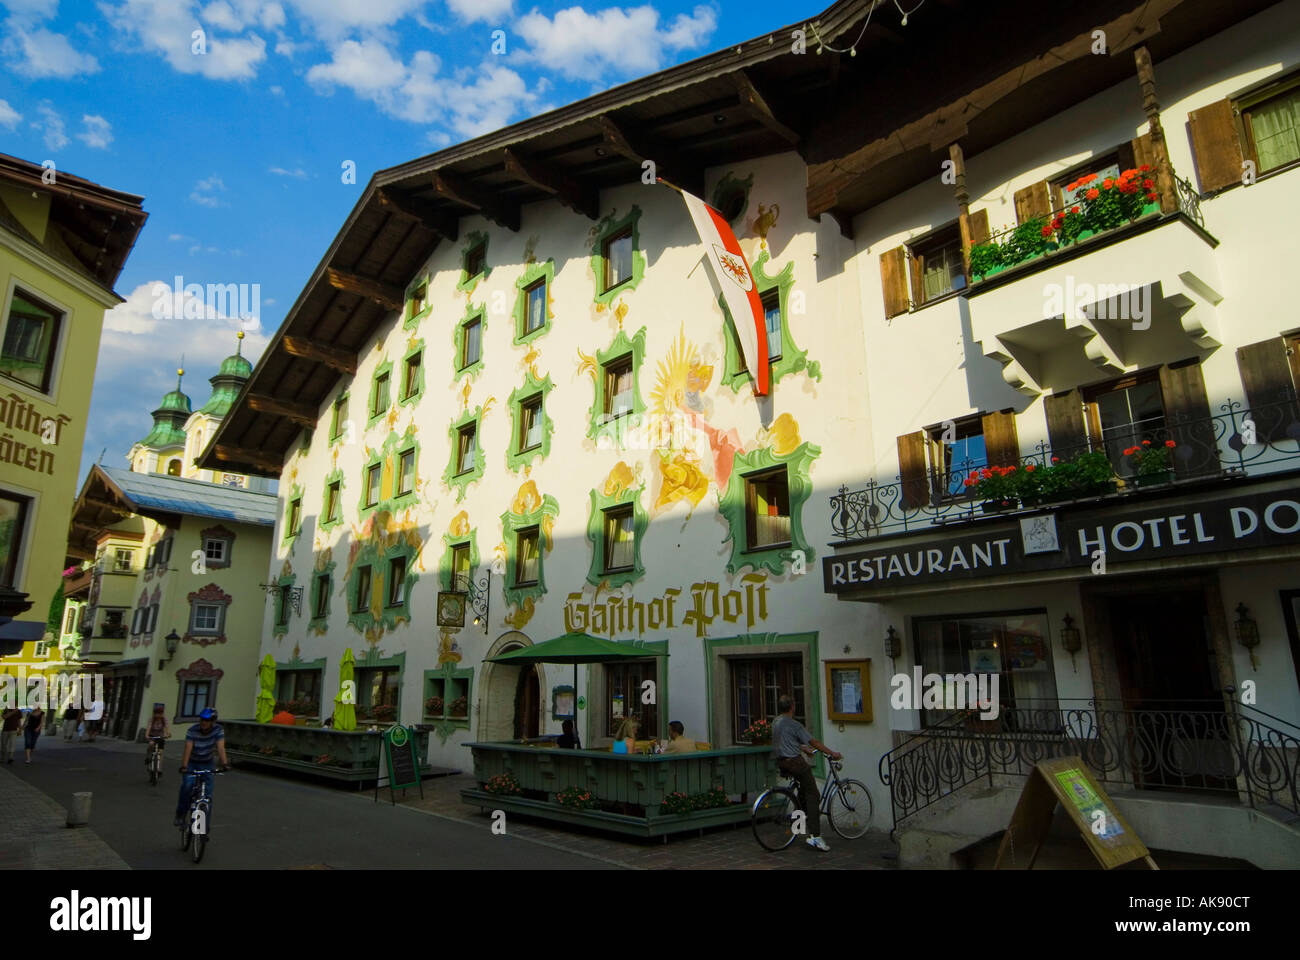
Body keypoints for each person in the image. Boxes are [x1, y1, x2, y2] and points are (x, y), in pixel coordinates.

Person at [772, 695, 841, 852]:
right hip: (795, 762)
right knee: (813, 795)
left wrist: (803, 748)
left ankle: (801, 824)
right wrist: (832, 752)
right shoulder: (795, 724)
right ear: (792, 707)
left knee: (803, 792)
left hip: (781, 762)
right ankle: (815, 836)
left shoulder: (776, 722)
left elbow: (784, 740)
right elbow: (814, 742)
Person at [175, 708, 230, 829]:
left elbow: (221, 748)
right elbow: (188, 748)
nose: (204, 722)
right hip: (192, 762)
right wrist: (184, 766)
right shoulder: (192, 730)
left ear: (213, 721)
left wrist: (225, 763)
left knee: (207, 796)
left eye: (207, 720)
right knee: (187, 786)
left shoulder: (218, 730)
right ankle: (181, 814)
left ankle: (204, 828)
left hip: (207, 762)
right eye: (202, 720)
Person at [144, 705, 170, 769]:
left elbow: (167, 728)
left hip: (161, 736)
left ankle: (159, 769)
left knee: (160, 753)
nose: (158, 715)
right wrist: (147, 735)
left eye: (160, 714)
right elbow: (148, 728)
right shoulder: (151, 720)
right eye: (157, 714)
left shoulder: (164, 720)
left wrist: (168, 734)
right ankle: (148, 757)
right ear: (154, 714)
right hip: (153, 736)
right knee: (151, 744)